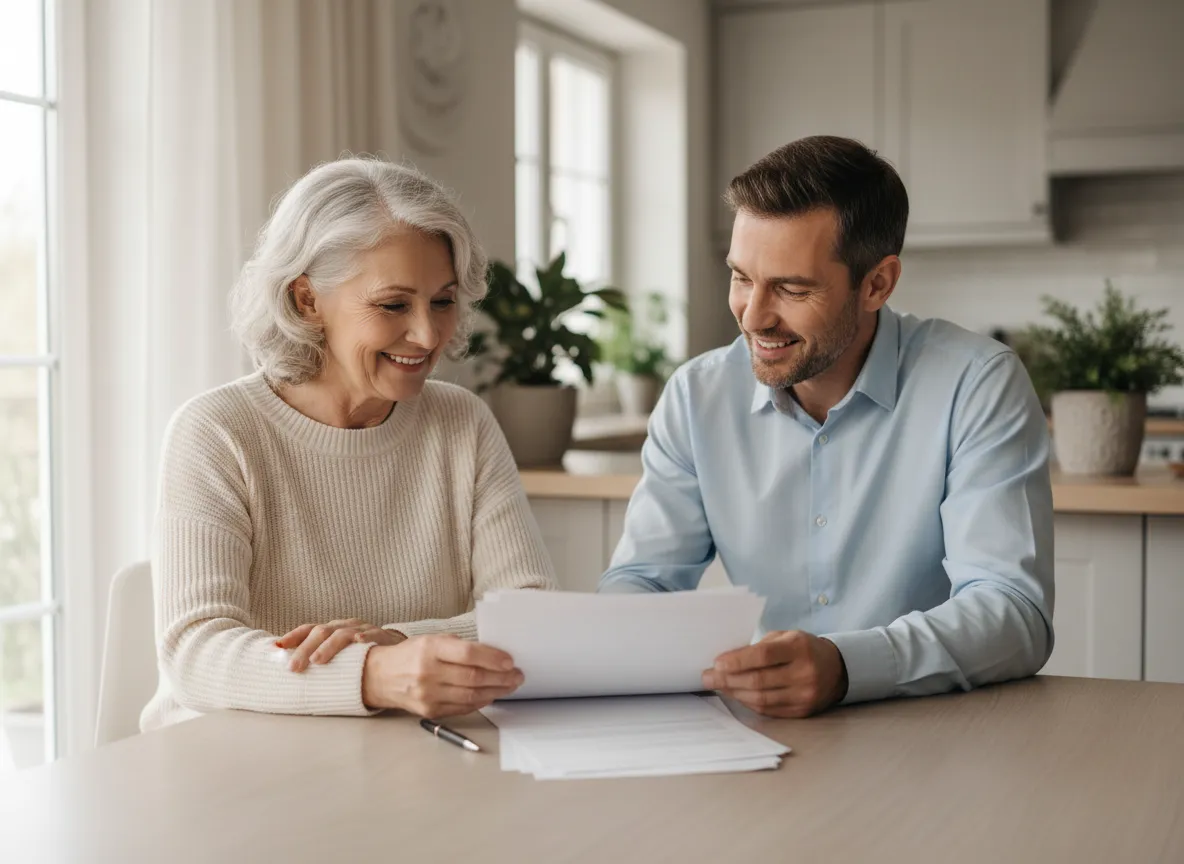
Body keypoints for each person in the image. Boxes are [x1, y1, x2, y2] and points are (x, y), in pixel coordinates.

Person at [600, 136, 1054, 717]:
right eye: (741, 277)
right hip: (762, 732)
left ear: (877, 284)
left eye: (792, 288)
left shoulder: (977, 383)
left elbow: (1014, 614)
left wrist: (846, 667)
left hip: (933, 729)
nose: (753, 315)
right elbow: (642, 582)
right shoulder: (697, 396)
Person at [141, 158, 556, 732]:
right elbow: (195, 652)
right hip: (228, 764)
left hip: (400, 756)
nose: (428, 335)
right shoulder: (218, 431)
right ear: (307, 300)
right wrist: (374, 673)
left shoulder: (462, 423)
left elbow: (534, 615)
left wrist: (399, 642)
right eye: (393, 305)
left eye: (442, 300)